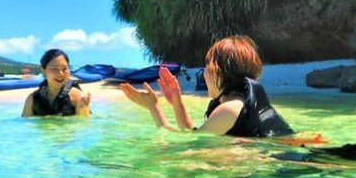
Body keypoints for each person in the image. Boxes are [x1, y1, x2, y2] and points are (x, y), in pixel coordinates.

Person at [120, 35, 295, 137]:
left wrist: (154, 108)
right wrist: (176, 102)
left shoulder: (229, 109)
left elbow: (187, 146)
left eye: (207, 66)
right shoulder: (240, 105)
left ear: (218, 71)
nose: (203, 73)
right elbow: (194, 135)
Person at [22, 49, 91, 117]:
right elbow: (24, 125)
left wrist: (82, 108)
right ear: (43, 70)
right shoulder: (32, 100)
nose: (60, 74)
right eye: (55, 68)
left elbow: (84, 125)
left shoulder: (78, 97)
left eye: (64, 69)